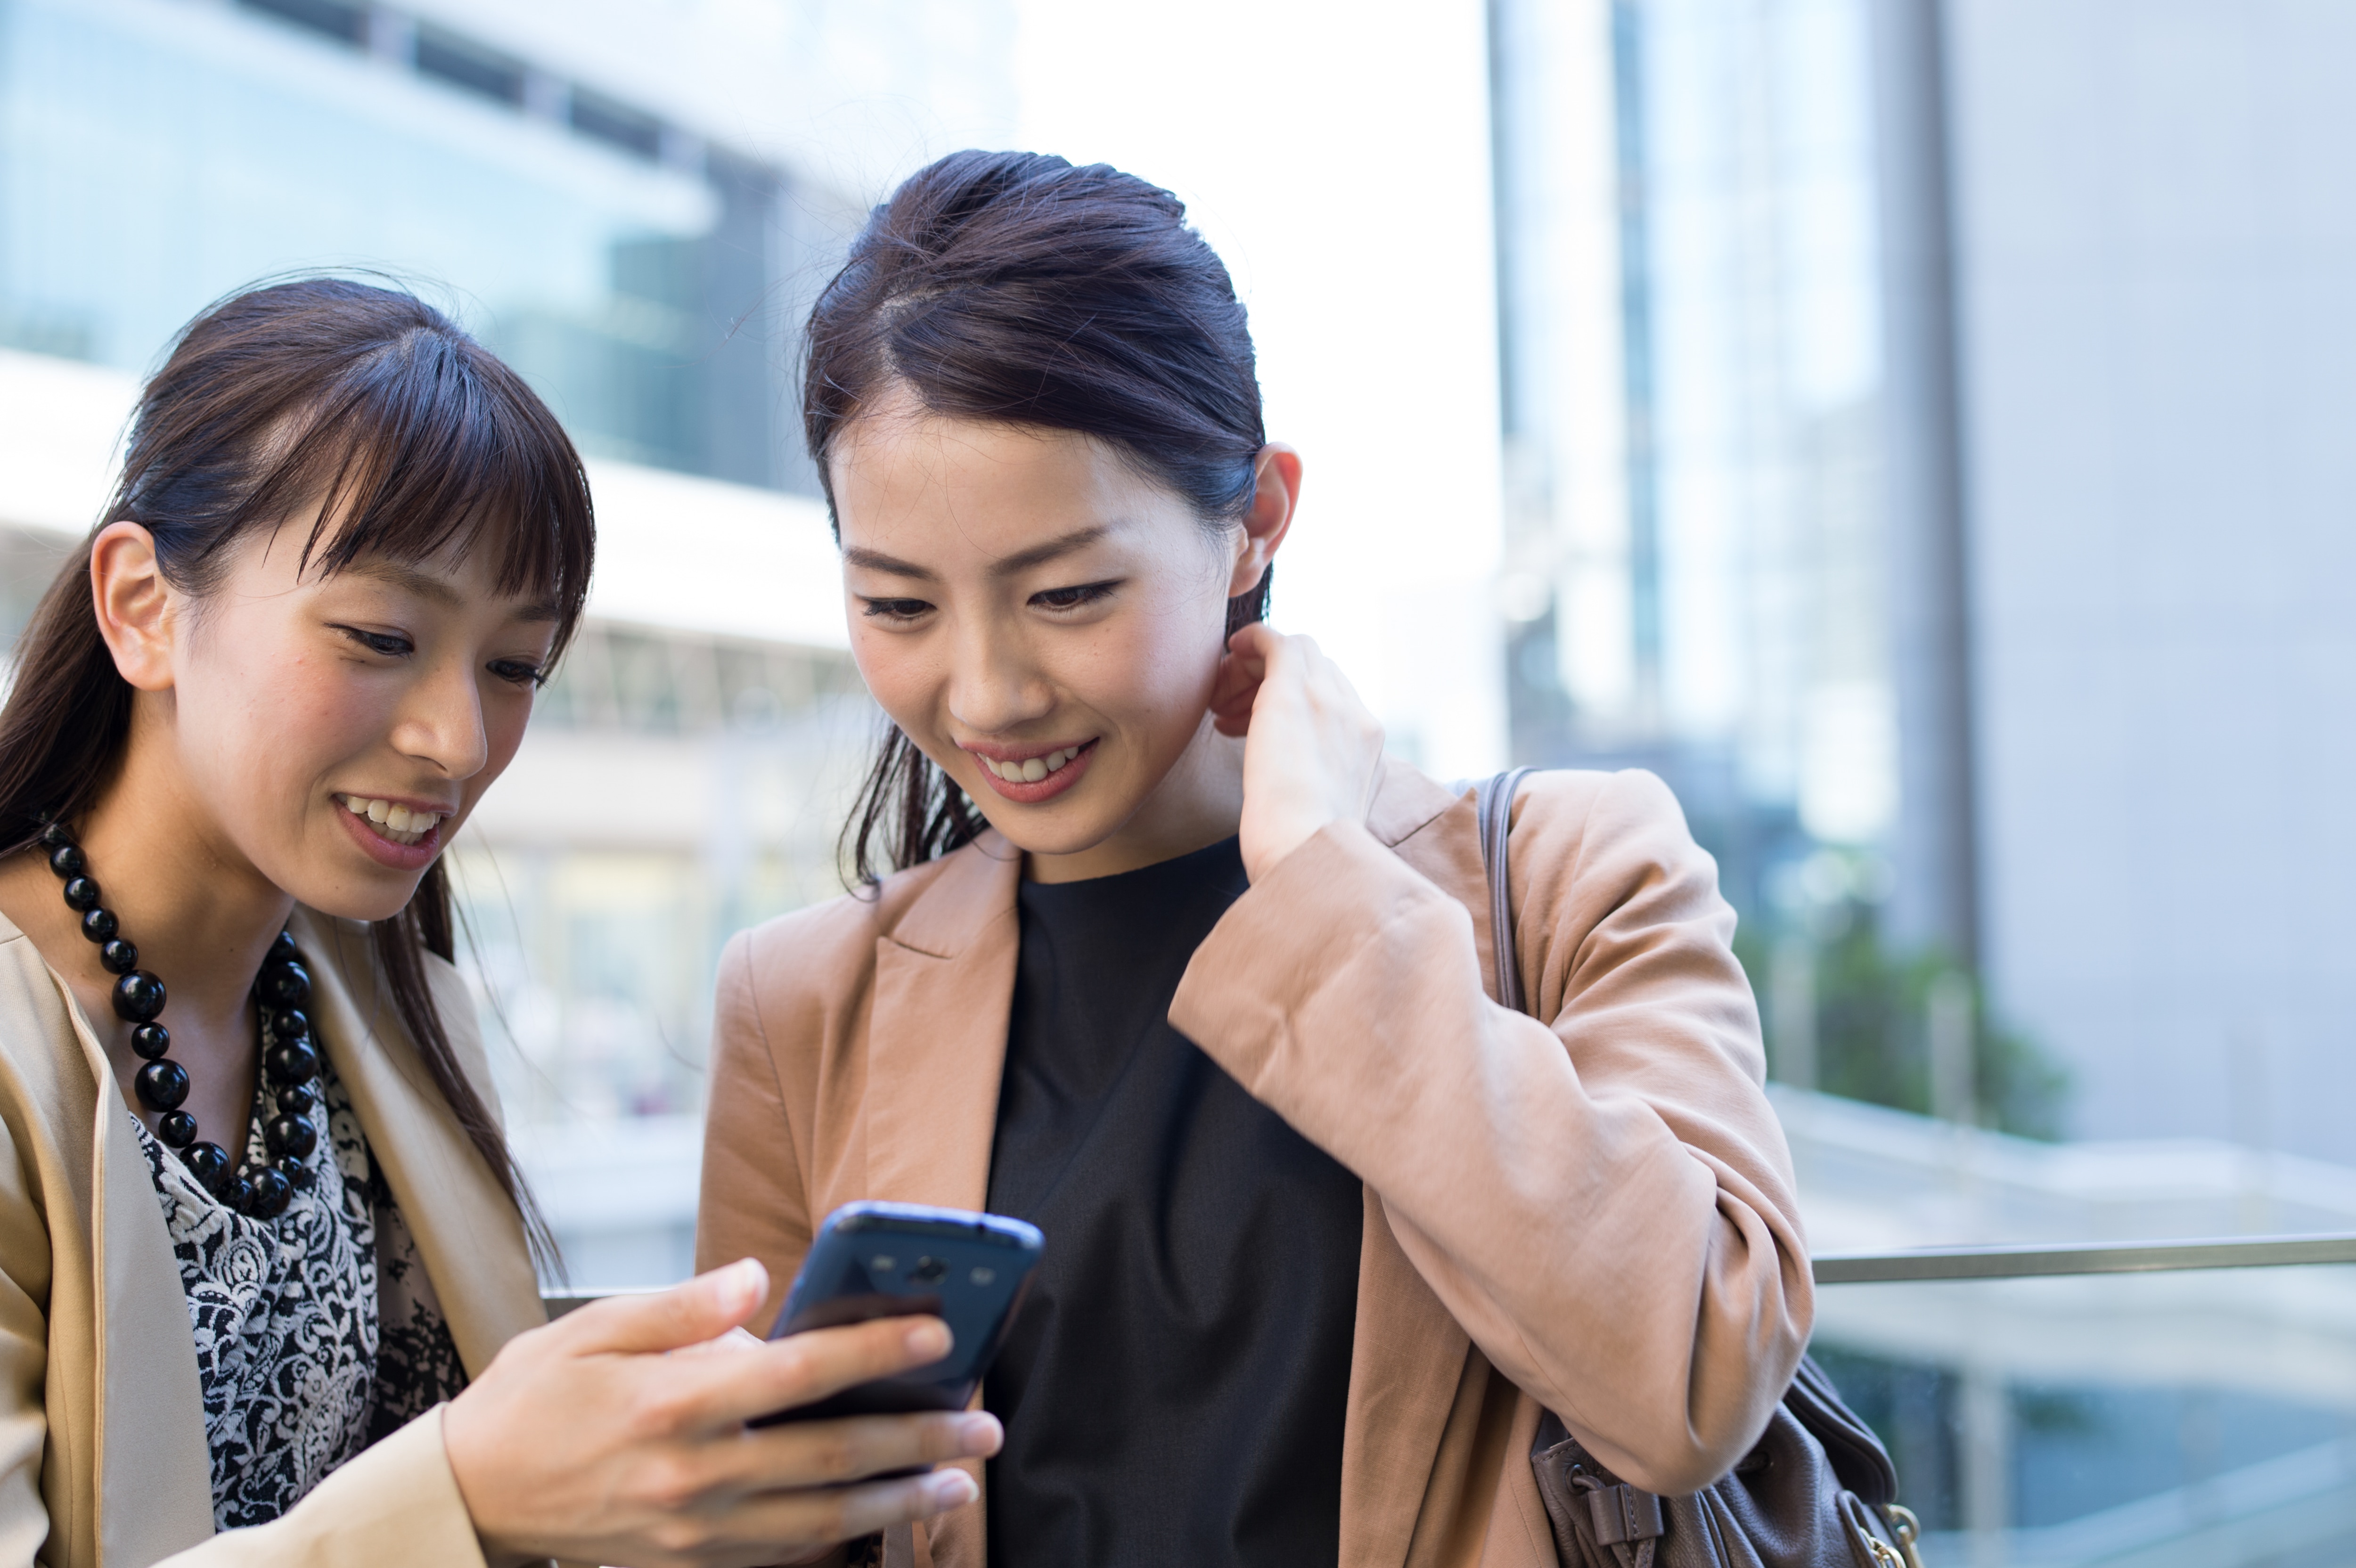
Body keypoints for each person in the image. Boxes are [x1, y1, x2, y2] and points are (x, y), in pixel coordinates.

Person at [695, 151, 1815, 1568]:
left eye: (1068, 594)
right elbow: (749, 1529)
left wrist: (1317, 880)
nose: (984, 695)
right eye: (899, 604)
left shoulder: (1572, 871)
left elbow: (1693, 1383)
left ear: (1256, 524)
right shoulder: (801, 1004)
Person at [0, 278, 998, 1568]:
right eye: (379, 635)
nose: (459, 741)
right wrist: (466, 1493)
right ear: (142, 605)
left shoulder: (373, 989)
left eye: (514, 665)